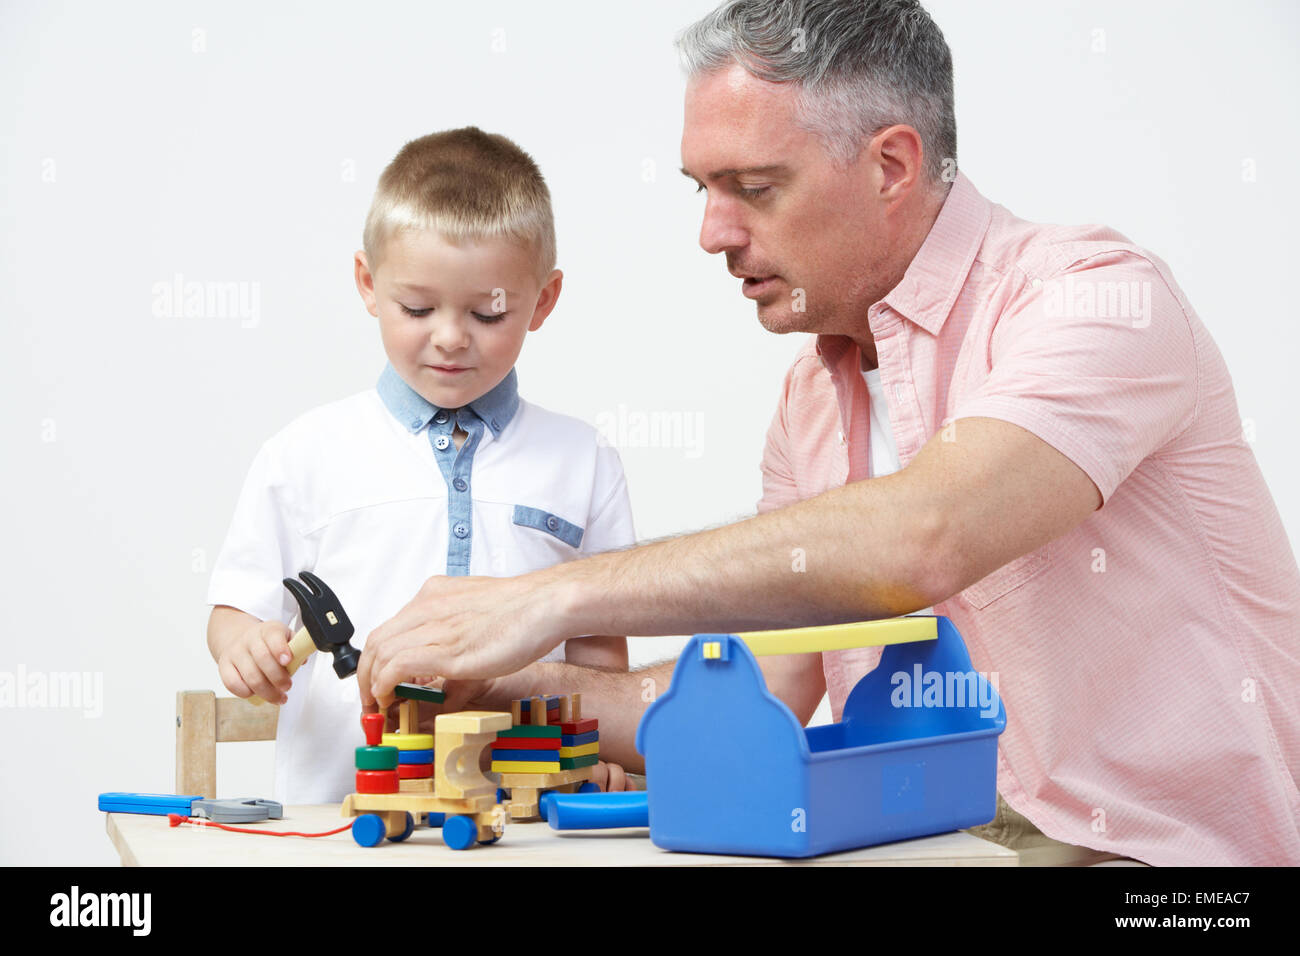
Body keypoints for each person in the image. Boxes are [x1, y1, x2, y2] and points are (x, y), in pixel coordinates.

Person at [356, 1, 1300, 865]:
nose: (712, 233)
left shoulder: (1098, 299)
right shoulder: (811, 400)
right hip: (926, 842)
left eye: (753, 188)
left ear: (891, 165)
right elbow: (764, 695)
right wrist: (508, 686)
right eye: (702, 190)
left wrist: (545, 599)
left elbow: (924, 535)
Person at [204, 127, 634, 803]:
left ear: (542, 301)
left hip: (528, 826)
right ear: (368, 284)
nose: (450, 336)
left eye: (488, 313)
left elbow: (601, 664)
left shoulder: (585, 461)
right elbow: (236, 608)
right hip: (342, 820)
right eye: (417, 307)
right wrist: (245, 645)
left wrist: (602, 760)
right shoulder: (304, 454)